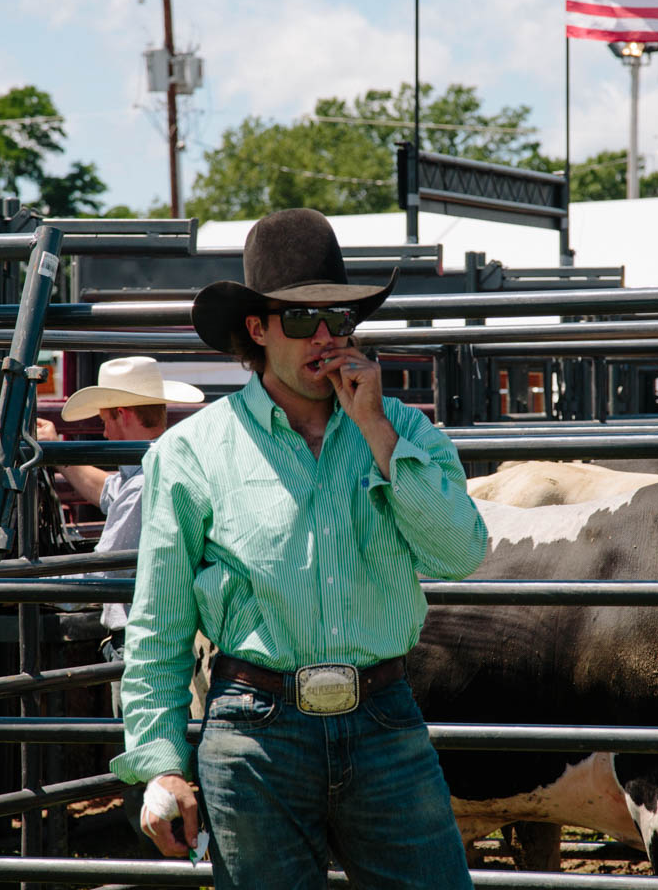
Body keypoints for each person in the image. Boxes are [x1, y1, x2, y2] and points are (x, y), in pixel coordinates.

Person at [110, 208, 488, 889]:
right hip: (254, 734)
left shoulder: (404, 430)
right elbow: (159, 625)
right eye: (300, 319)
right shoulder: (190, 453)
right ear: (257, 328)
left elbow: (460, 553)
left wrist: (376, 430)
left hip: (385, 719)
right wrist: (162, 761)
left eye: (339, 319)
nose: (323, 335)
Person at [34, 356, 203, 691]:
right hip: (160, 638)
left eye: (104, 420)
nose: (105, 432)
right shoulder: (162, 464)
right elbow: (111, 491)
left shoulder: (145, 483)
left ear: (122, 414)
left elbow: (101, 574)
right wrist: (56, 452)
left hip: (140, 644)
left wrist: (25, 583)